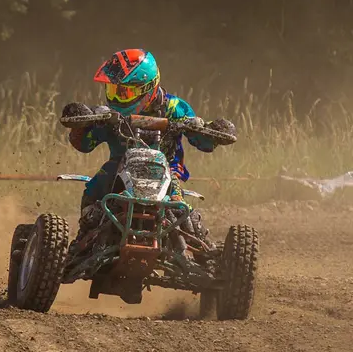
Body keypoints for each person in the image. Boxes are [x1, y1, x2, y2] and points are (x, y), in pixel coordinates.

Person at [64, 48, 234, 249]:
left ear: (148, 88)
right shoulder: (110, 116)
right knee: (95, 188)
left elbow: (201, 139)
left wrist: (210, 131)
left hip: (166, 170)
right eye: (113, 91)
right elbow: (85, 145)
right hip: (120, 167)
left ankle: (207, 253)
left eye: (124, 92)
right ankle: (82, 241)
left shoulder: (174, 107)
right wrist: (81, 128)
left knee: (182, 212)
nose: (117, 99)